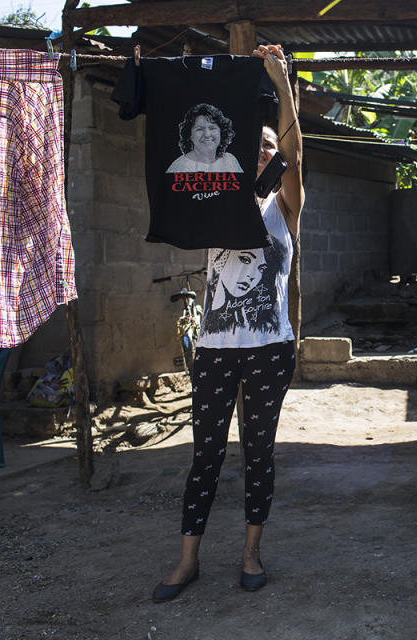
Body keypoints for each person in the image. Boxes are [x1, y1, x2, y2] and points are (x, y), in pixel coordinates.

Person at [153, 43, 304, 601]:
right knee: (206, 452)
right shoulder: (215, 195)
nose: (265, 153)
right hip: (216, 346)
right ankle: (187, 561)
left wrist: (281, 86)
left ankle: (250, 552)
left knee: (258, 450)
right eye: (257, 147)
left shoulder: (285, 205)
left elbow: (295, 151)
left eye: (270, 148)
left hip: (269, 346)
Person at [166, 103, 244, 173]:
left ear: (221, 132)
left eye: (212, 128)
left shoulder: (230, 160)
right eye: (199, 129)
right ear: (189, 135)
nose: (207, 134)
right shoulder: (179, 168)